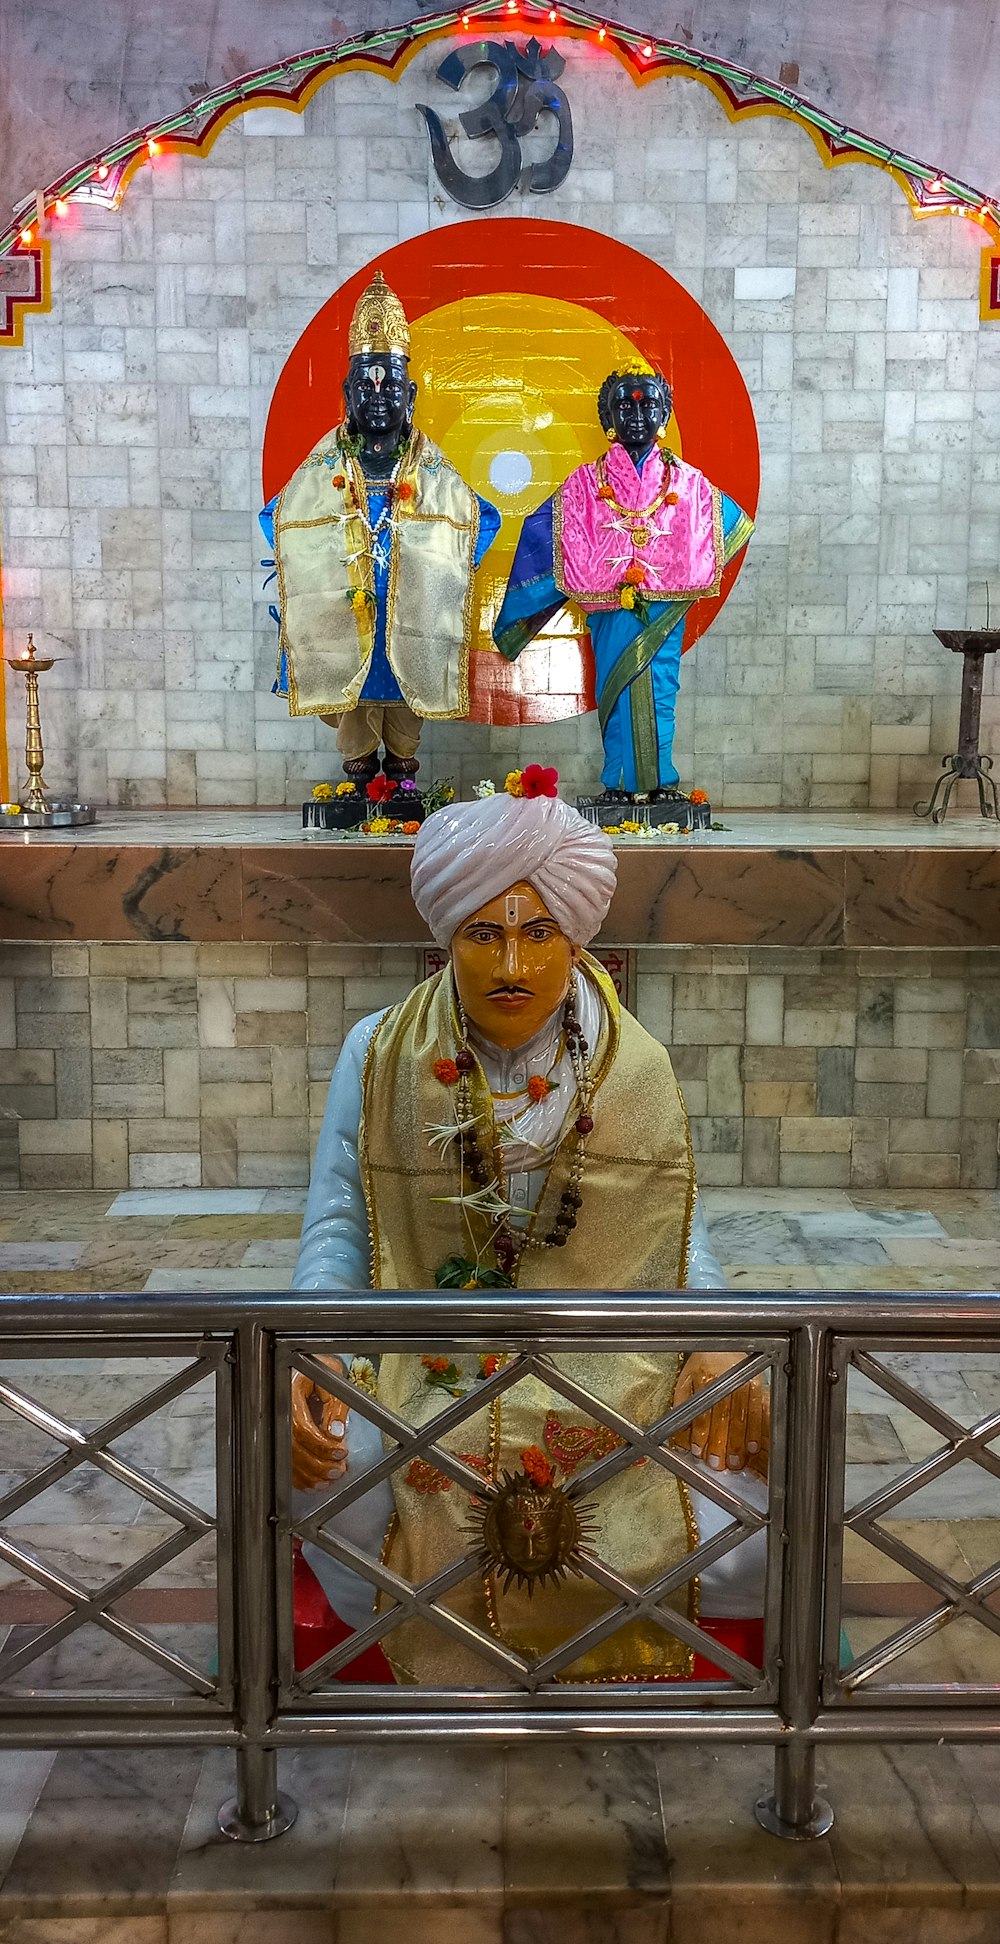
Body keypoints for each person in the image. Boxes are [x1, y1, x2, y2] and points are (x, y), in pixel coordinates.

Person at [290, 772, 768, 1683]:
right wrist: (313, 1355)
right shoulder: (378, 1052)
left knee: (750, 1492)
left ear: (577, 934)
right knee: (321, 1482)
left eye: (539, 933)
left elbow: (680, 1234)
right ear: (445, 939)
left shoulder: (635, 1065)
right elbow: (339, 1231)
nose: (513, 965)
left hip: (608, 1365)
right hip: (425, 1362)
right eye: (485, 933)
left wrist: (711, 1344)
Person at [261, 270, 500, 783]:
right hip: (344, 605)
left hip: (410, 604)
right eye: (365, 383)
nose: (377, 394)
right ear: (347, 393)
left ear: (410, 396)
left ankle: (404, 780)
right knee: (353, 693)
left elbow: (482, 518)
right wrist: (316, 561)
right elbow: (276, 518)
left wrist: (444, 569)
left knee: (405, 696)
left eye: (389, 383)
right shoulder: (324, 466)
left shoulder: (431, 467)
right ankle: (359, 777)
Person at [494, 365, 753, 803]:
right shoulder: (584, 484)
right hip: (610, 612)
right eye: (624, 404)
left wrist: (678, 565)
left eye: (648, 403)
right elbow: (542, 535)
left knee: (661, 690)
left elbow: (728, 520)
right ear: (607, 419)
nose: (636, 413)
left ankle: (661, 783)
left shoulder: (688, 483)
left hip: (662, 612)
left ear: (664, 415)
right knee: (613, 692)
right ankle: (618, 784)